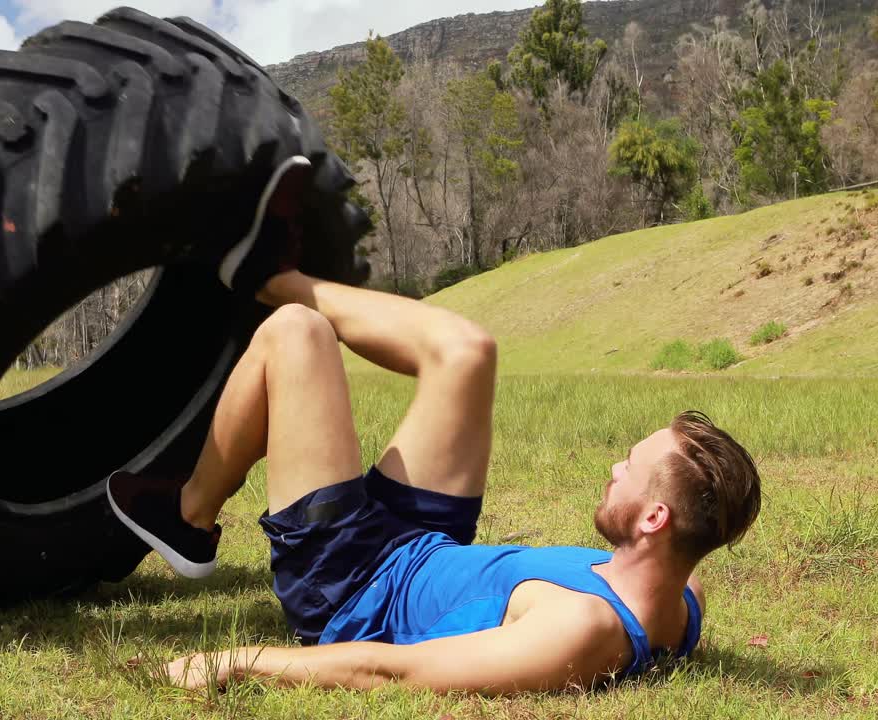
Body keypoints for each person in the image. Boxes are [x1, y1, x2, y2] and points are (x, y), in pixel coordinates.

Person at [107, 157, 762, 695]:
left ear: (654, 520)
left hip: (352, 589)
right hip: (424, 544)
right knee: (467, 351)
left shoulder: (580, 631)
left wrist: (232, 662)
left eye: (631, 468)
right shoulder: (685, 593)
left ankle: (189, 518)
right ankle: (272, 276)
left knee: (297, 335)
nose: (615, 468)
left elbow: (394, 669)